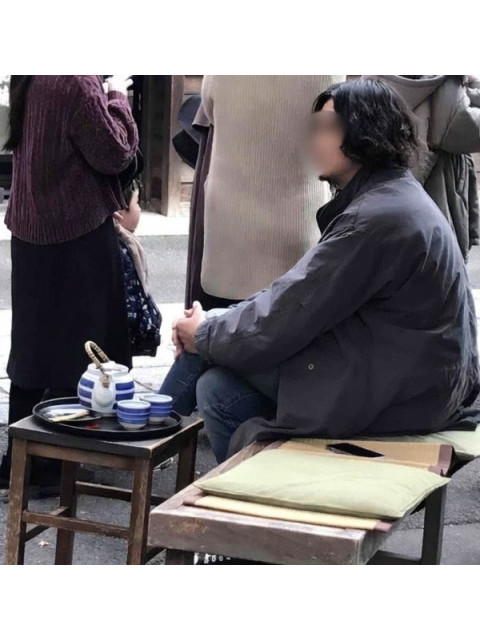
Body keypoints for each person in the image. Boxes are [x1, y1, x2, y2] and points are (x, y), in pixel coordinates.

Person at [160, 78, 480, 463]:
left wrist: (204, 333)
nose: (314, 139)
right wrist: (212, 328)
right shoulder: (387, 197)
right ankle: (255, 487)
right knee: (217, 387)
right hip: (409, 377)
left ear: (367, 133)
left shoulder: (376, 218)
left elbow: (291, 310)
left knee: (208, 349)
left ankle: (143, 434)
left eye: (327, 128)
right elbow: (293, 294)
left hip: (404, 391)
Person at [0, 75, 139, 491]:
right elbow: (114, 153)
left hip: (31, 229)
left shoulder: (35, 74)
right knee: (78, 350)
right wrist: (118, 95)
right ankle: (54, 465)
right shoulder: (76, 80)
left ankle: (20, 463)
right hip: (75, 233)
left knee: (33, 349)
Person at [186, 75, 346, 309]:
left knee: (221, 317)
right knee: (289, 314)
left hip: (229, 224)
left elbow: (209, 109)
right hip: (297, 221)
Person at [367, 75, 480, 260]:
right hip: (435, 186)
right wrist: (473, 84)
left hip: (390, 181)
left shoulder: (373, 81)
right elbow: (468, 128)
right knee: (434, 258)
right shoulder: (445, 79)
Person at [115, 180, 162, 357]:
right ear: (120, 210)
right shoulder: (120, 248)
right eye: (137, 203)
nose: (140, 210)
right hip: (125, 330)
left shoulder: (126, 242)